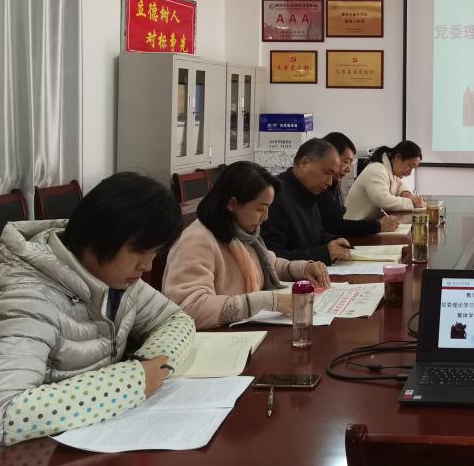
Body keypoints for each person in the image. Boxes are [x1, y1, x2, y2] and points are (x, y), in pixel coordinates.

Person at [0, 172, 195, 448]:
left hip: (100, 434)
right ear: (100, 236)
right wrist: (132, 382)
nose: (148, 266)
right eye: (140, 251)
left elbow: (175, 319)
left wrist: (150, 364)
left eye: (154, 252)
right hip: (43, 457)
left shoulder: (114, 277)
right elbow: (3, 414)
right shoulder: (30, 298)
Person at [162, 162, 332, 329]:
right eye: (260, 209)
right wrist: (266, 301)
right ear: (232, 204)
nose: (265, 217)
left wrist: (303, 269)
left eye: (268, 208)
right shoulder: (196, 241)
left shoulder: (241, 233)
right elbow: (190, 308)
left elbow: (269, 264)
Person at [261, 138, 353, 263]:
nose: (330, 182)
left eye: (333, 175)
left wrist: (333, 240)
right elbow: (271, 257)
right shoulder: (274, 197)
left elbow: (315, 235)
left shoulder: (309, 191)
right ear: (304, 163)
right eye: (327, 173)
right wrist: (325, 253)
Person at [319, 132, 400, 236]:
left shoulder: (332, 184)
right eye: (345, 162)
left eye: (350, 162)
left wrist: (406, 192)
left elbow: (334, 224)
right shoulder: (320, 187)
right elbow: (335, 226)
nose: (348, 169)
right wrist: (378, 226)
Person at [344, 140, 426, 220]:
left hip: (367, 223)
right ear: (398, 157)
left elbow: (399, 185)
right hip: (354, 226)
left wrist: (406, 194)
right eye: (410, 166)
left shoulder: (389, 169)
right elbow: (383, 200)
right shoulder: (377, 170)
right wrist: (412, 203)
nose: (410, 173)